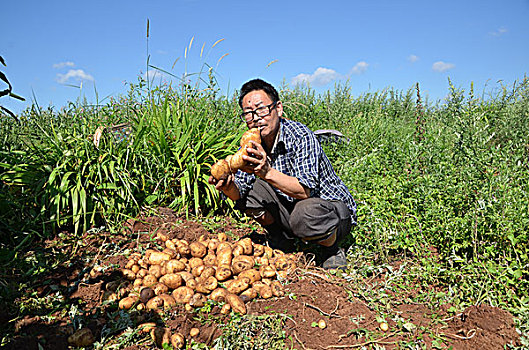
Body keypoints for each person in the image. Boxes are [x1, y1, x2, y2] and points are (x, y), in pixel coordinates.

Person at [208, 78, 356, 269]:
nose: (256, 117)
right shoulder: (252, 144)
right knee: (249, 193)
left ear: (278, 108)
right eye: (248, 113)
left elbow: (305, 191)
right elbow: (241, 192)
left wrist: (267, 172)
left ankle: (332, 249)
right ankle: (282, 238)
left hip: (329, 213)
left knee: (305, 214)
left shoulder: (301, 136)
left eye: (261, 109)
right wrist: (229, 188)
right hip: (292, 211)